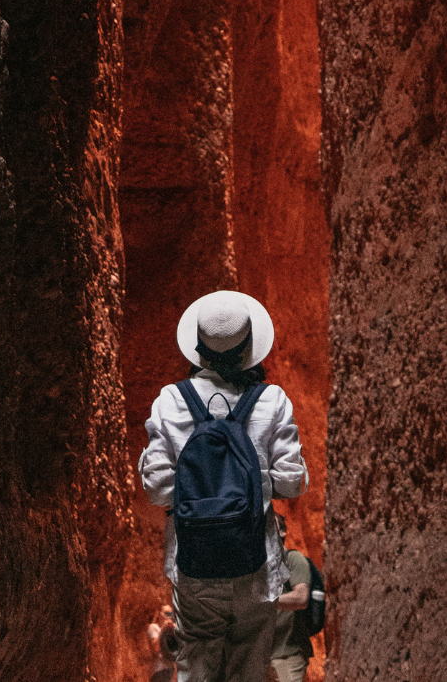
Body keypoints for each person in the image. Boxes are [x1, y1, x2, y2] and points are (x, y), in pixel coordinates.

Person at [140, 290, 309, 682]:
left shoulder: (170, 401)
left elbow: (158, 490)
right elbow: (292, 481)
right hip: (256, 563)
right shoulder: (272, 401)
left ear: (199, 348)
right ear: (250, 347)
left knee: (196, 670)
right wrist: (252, 485)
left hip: (194, 564)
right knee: (249, 671)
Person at [269, 517, 315, 682]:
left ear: (283, 532)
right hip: (260, 659)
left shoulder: (293, 559)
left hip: (288, 655)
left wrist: (263, 603)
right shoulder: (257, 569)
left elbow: (301, 598)